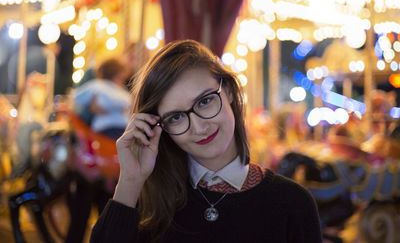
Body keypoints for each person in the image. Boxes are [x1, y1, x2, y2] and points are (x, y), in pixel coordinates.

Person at [90, 40, 322, 242]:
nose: (200, 126)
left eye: (205, 102)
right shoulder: (148, 203)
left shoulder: (292, 203)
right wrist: (130, 180)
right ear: (159, 126)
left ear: (229, 91)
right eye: (177, 117)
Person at [73, 58, 130, 139]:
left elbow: (77, 97)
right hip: (117, 127)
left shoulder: (96, 86)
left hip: (104, 127)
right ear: (116, 75)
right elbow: (128, 103)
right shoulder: (99, 86)